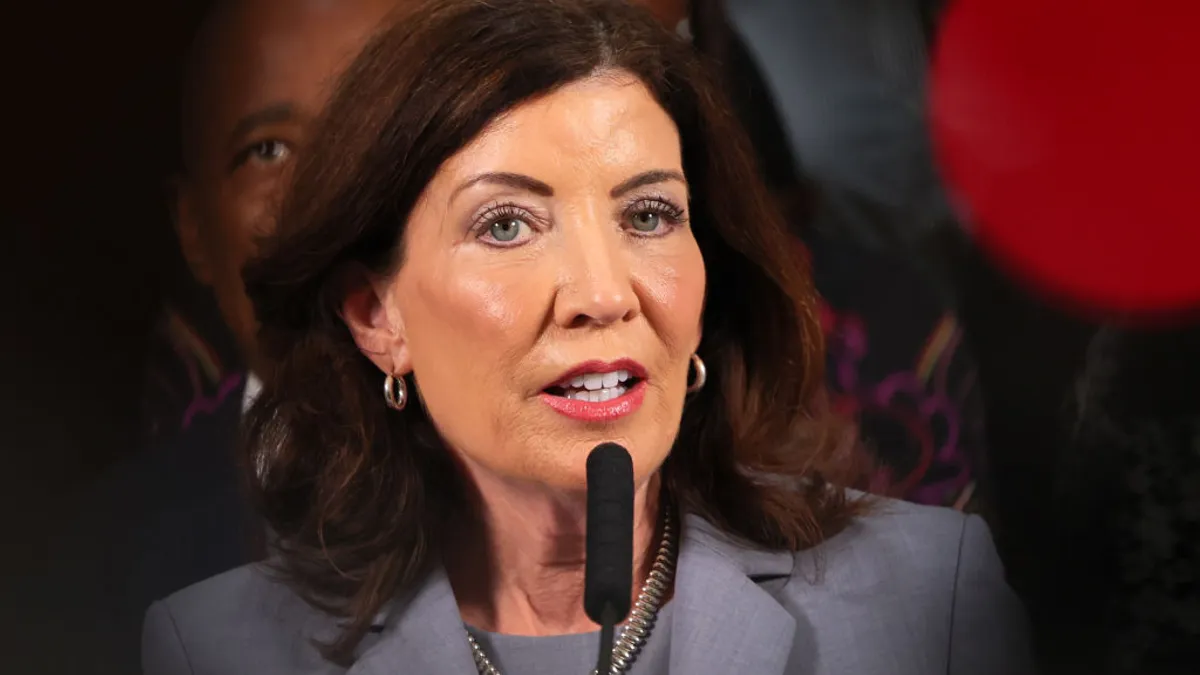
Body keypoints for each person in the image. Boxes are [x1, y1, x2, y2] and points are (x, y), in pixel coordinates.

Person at [142, 1, 1033, 674]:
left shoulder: (928, 595)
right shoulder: (215, 646)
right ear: (377, 317)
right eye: (505, 226)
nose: (605, 295)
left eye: (649, 213)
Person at [24, 3, 398, 675]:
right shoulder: (100, 561)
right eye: (269, 150)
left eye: (371, 130)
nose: (326, 189)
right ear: (195, 229)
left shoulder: (568, 493)